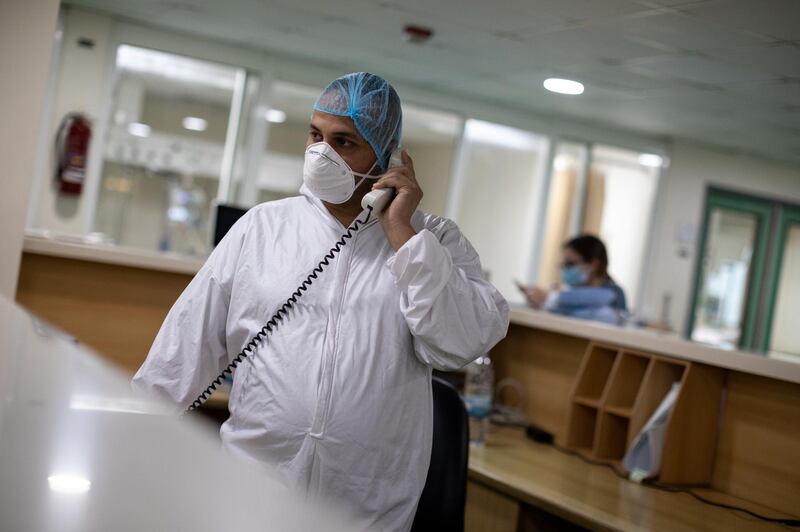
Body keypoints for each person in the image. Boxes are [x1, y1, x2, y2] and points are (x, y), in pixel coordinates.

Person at [132, 72, 509, 531]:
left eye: (344, 142)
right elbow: (181, 353)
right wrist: (127, 443)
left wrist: (403, 235)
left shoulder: (434, 242)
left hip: (367, 511)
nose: (321, 153)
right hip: (251, 502)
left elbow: (458, 343)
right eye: (316, 135)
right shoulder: (262, 229)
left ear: (387, 155)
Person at [520, 234, 627, 325]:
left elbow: (590, 311)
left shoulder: (615, 294)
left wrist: (549, 298)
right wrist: (542, 303)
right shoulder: (570, 291)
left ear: (593, 264)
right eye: (564, 264)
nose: (565, 268)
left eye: (570, 264)